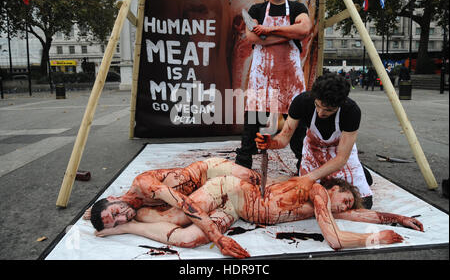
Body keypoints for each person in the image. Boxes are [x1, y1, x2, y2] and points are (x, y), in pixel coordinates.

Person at [93, 159, 423, 257]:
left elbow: (353, 214)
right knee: (180, 215)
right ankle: (126, 219)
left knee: (188, 240)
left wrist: (399, 218)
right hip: (229, 189)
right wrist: (373, 239)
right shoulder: (319, 193)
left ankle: (125, 227)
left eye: (348, 205)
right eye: (346, 199)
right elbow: (335, 240)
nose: (346, 206)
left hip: (239, 208)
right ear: (334, 188)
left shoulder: (327, 204)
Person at [84, 157, 262, 258]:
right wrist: (117, 225)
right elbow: (181, 234)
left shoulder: (143, 185)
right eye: (117, 222)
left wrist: (217, 238)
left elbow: (184, 204)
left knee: (256, 181)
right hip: (209, 194)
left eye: (115, 212)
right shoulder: (138, 214)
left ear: (113, 198)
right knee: (253, 199)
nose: (122, 217)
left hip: (207, 172)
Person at [255, 73, 374, 209]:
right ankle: (357, 174)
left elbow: (341, 158)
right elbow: (284, 138)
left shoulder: (351, 111)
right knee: (305, 199)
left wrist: (310, 178)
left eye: (328, 110)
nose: (320, 113)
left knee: (364, 204)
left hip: (338, 154)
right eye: (317, 105)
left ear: (340, 104)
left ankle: (361, 172)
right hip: (314, 150)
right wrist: (272, 143)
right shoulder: (301, 102)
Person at [235, 0, 312, 169]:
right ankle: (244, 160)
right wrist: (289, 34)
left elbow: (304, 29)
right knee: (253, 116)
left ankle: (303, 162)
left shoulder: (297, 7)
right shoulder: (256, 10)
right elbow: (252, 37)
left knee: (295, 119)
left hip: (290, 75)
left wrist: (268, 31)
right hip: (262, 73)